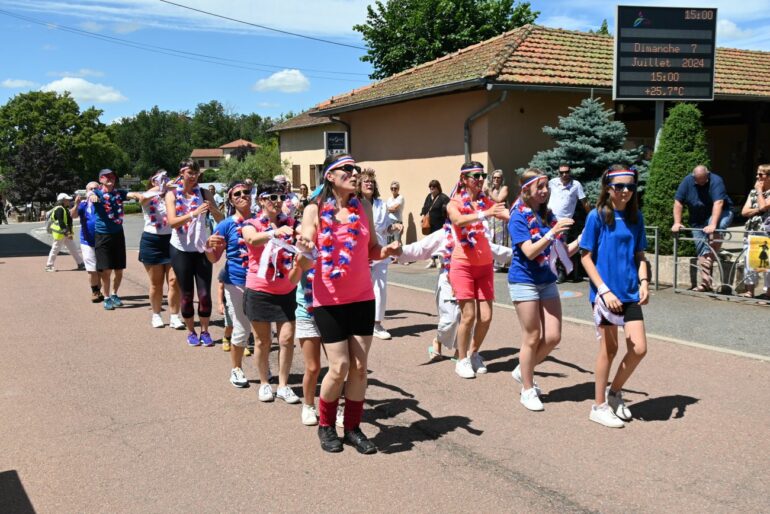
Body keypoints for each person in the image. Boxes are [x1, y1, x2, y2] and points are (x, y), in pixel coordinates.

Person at [297, 153, 399, 454]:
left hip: (362, 297)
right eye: (347, 169)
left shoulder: (363, 206)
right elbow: (305, 249)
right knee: (339, 366)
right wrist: (305, 246)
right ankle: (326, 425)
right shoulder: (314, 210)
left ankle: (353, 428)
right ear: (330, 175)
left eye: (356, 169)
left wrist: (387, 250)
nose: (354, 173)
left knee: (359, 368)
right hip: (328, 299)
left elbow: (372, 249)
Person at [581, 166, 649, 428]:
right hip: (605, 295)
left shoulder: (636, 217)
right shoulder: (597, 216)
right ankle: (598, 406)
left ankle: (614, 393)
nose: (625, 191)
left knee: (639, 349)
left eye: (630, 187)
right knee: (609, 350)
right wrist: (603, 290)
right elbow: (586, 257)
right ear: (608, 187)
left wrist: (644, 282)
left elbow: (639, 255)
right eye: (620, 186)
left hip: (630, 293)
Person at [508, 169, 580, 411]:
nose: (545, 191)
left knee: (553, 337)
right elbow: (529, 251)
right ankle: (527, 389)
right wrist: (552, 233)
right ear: (526, 189)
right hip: (524, 281)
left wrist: (583, 239)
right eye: (539, 186)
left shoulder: (548, 216)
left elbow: (561, 252)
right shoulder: (518, 216)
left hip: (547, 280)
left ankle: (523, 369)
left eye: (546, 186)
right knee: (532, 336)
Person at [393, 225, 512, 361]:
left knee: (466, 317)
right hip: (447, 279)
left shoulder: (475, 234)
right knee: (450, 320)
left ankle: (460, 351)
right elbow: (421, 248)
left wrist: (519, 253)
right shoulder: (444, 233)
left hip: (468, 278)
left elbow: (493, 249)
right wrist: (398, 251)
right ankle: (438, 340)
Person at [240, 180, 302, 403]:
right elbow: (251, 239)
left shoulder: (291, 223)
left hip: (286, 290)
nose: (278, 201)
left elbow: (304, 235)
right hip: (260, 290)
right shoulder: (252, 223)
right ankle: (265, 383)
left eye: (281, 197)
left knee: (286, 339)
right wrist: (274, 233)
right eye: (272, 197)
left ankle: (283, 385)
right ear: (261, 200)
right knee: (262, 341)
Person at [445, 161, 508, 379]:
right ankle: (461, 359)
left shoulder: (484, 201)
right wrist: (485, 213)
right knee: (469, 316)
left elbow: (504, 213)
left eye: (483, 175)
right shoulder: (454, 202)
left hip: (485, 266)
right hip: (462, 266)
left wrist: (528, 215)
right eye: (476, 176)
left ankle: (473, 353)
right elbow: (458, 220)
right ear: (464, 179)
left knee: (486, 317)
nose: (481, 180)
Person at [165, 160, 223, 346]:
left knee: (204, 293)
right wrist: (193, 213)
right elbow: (172, 222)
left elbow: (221, 219)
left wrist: (212, 209)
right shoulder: (172, 195)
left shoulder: (204, 193)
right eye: (190, 172)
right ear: (181, 173)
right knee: (187, 293)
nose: (194, 176)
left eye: (196, 173)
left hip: (201, 248)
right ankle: (191, 332)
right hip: (180, 249)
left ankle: (205, 331)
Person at [206, 181, 257, 387]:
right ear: (231, 200)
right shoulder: (226, 225)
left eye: (246, 192)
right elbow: (214, 258)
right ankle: (236, 369)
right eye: (237, 194)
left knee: (264, 331)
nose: (243, 196)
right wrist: (208, 246)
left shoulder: (261, 220)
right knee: (242, 328)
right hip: (236, 281)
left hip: (261, 282)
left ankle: (263, 367)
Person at [129, 170, 183, 329]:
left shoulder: (172, 196)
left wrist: (171, 187)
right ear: (152, 182)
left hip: (172, 240)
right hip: (152, 241)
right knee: (156, 283)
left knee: (174, 281)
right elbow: (142, 198)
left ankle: (175, 316)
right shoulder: (148, 196)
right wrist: (160, 187)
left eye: (165, 178)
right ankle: (156, 314)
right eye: (158, 179)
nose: (163, 181)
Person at [672, 165, 734, 292]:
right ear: (693, 176)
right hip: (697, 217)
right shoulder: (687, 181)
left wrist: (713, 225)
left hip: (721, 212)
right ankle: (705, 283)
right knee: (701, 248)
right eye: (698, 180)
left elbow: (719, 203)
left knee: (717, 227)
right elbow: (678, 202)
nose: (701, 183)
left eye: (703, 180)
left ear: (708, 174)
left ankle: (710, 258)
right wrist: (677, 223)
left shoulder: (716, 180)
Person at [358, 169, 402, 340]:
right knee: (360, 287)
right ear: (359, 185)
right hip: (360, 251)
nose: (369, 184)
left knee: (380, 287)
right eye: (366, 181)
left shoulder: (380, 204)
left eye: (372, 181)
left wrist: (394, 227)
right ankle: (361, 321)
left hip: (379, 250)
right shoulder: (355, 203)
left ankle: (377, 323)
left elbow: (386, 227)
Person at [87, 169, 128, 309]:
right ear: (101, 179)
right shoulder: (97, 193)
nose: (110, 178)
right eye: (106, 176)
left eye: (112, 176)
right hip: (102, 235)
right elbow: (90, 193)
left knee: (119, 269)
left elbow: (132, 194)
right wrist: (91, 195)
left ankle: (115, 293)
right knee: (106, 269)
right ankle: (106, 297)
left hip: (118, 234)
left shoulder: (119, 193)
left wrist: (138, 195)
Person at [547, 164, 590, 282]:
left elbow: (584, 202)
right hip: (550, 219)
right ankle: (549, 270)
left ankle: (561, 272)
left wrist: (592, 216)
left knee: (561, 245)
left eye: (566, 172)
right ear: (558, 173)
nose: (564, 174)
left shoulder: (576, 185)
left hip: (564, 221)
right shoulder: (552, 182)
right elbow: (545, 195)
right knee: (548, 245)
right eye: (561, 173)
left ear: (570, 172)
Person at [739, 164, 770, 298]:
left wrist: (759, 191)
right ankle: (749, 291)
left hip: (767, 231)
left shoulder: (758, 191)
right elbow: (744, 212)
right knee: (749, 261)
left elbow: (764, 205)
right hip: (752, 231)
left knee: (767, 263)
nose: (757, 177)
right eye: (757, 174)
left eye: (761, 174)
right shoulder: (753, 192)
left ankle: (768, 293)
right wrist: (758, 210)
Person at [74, 182, 103, 302]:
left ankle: (100, 290)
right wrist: (76, 204)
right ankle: (95, 292)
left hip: (102, 240)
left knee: (101, 270)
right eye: (91, 189)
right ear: (86, 191)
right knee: (92, 270)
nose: (93, 190)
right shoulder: (83, 205)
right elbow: (73, 215)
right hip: (87, 241)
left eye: (96, 188)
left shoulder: (104, 202)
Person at [45, 193, 85, 272]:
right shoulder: (59, 209)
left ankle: (80, 263)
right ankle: (49, 266)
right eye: (67, 200)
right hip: (60, 234)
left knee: (73, 249)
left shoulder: (64, 209)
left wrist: (69, 233)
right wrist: (67, 233)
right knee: (55, 249)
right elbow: (61, 222)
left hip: (64, 233)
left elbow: (67, 222)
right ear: (63, 200)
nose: (69, 201)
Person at [420, 180, 450, 268]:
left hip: (440, 224)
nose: (431, 188)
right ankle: (432, 261)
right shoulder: (429, 197)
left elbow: (448, 208)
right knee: (431, 243)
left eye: (433, 187)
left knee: (440, 243)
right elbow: (425, 207)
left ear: (438, 188)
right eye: (430, 187)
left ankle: (441, 261)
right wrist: (423, 217)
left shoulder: (443, 197)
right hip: (430, 224)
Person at [484, 170, 509, 267]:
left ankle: (501, 263)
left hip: (500, 217)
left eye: (498, 177)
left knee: (500, 238)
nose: (496, 179)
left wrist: (489, 192)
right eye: (494, 177)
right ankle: (491, 261)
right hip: (491, 217)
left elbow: (499, 200)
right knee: (491, 238)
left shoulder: (504, 188)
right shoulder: (491, 189)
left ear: (502, 179)